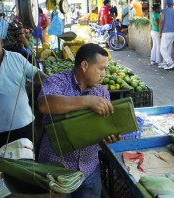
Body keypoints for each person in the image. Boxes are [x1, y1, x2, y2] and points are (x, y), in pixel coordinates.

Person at [37, 43, 120, 198]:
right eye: (100, 69)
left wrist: (108, 139)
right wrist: (87, 101)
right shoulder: (57, 81)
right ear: (84, 65)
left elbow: (101, 130)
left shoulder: (102, 92)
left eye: (105, 69)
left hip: (89, 169)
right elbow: (44, 104)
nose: (104, 74)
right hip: (56, 169)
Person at [0, 25, 47, 151]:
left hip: (26, 124)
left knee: (31, 166)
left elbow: (35, 74)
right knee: (3, 168)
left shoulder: (16, 58)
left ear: (1, 42)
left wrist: (50, 80)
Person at [158, 0, 174, 70]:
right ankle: (166, 63)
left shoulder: (164, 11)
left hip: (166, 31)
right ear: (173, 4)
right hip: (173, 31)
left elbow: (161, 21)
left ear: (166, 4)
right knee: (168, 48)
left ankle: (170, 62)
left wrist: (160, 31)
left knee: (162, 49)